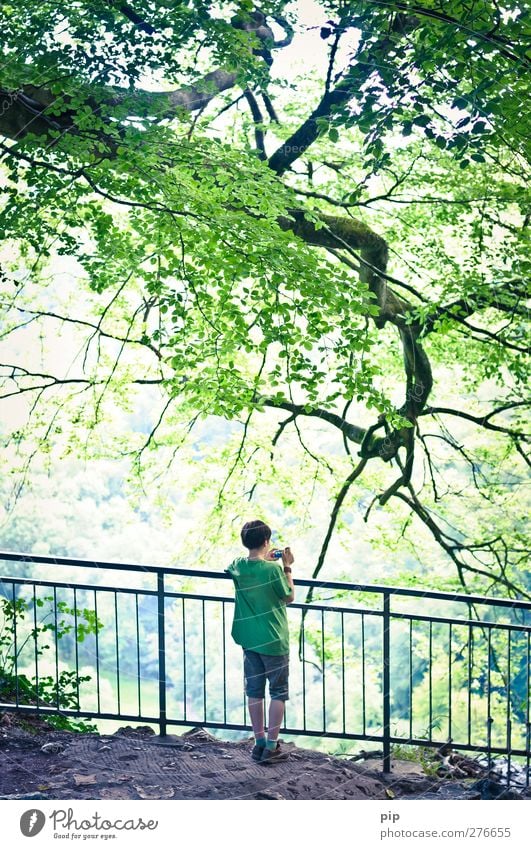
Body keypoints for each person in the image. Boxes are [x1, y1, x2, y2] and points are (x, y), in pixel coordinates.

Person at [225, 519, 295, 764]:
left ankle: (258, 743)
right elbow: (289, 596)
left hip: (249, 639)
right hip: (274, 639)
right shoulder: (273, 570)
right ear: (266, 542)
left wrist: (263, 557)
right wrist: (286, 567)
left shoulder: (237, 566)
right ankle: (272, 747)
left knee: (254, 691)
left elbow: (241, 565)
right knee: (278, 692)